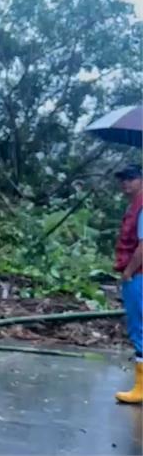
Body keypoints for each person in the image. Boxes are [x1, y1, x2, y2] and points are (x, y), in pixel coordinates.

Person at [114, 163, 143, 403]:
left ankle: (140, 388)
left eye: (130, 178)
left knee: (139, 328)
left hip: (139, 275)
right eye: (122, 179)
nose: (125, 183)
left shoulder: (142, 207)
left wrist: (128, 272)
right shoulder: (133, 206)